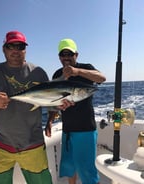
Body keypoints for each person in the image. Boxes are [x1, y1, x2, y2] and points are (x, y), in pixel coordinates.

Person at [0, 31, 71, 184]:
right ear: (4, 49)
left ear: (25, 49)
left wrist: (61, 104)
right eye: (11, 46)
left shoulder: (39, 73)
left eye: (20, 46)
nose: (16, 50)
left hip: (33, 144)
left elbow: (50, 100)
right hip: (2, 144)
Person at [45, 38, 106, 184]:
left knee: (87, 172)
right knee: (69, 168)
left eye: (70, 54)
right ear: (59, 57)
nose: (66, 58)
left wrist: (77, 71)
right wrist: (50, 120)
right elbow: (54, 101)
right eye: (63, 55)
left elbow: (102, 78)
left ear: (76, 55)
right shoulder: (57, 74)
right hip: (68, 130)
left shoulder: (86, 67)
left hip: (85, 129)